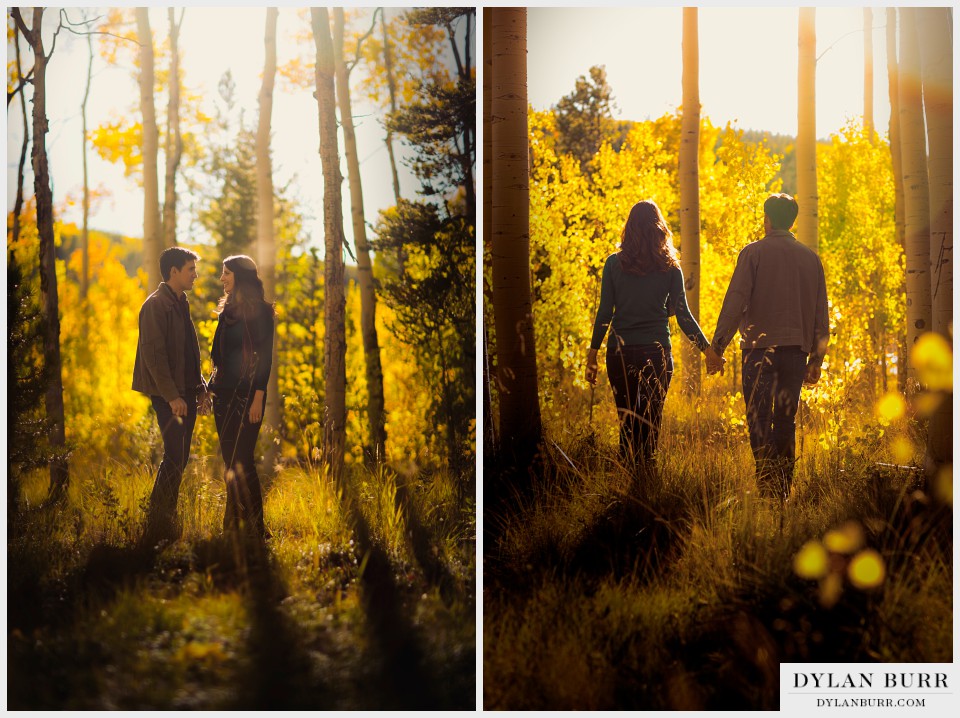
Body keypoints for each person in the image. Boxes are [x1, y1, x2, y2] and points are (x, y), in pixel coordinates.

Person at [586, 200, 724, 469]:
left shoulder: (613, 264)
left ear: (629, 228)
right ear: (659, 229)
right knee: (650, 421)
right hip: (656, 351)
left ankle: (628, 480)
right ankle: (647, 480)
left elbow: (605, 313)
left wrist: (592, 354)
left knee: (627, 421)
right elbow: (683, 315)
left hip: (619, 352)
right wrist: (708, 351)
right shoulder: (671, 266)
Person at [709, 193, 829, 500]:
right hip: (795, 354)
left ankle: (766, 488)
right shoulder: (811, 259)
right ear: (792, 221)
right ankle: (783, 492)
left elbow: (735, 302)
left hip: (758, 353)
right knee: (785, 422)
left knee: (759, 419)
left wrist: (718, 346)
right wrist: (816, 359)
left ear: (767, 219)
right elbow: (820, 314)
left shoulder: (753, 253)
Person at [132, 246, 206, 545]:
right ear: (173, 272)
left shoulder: (180, 302)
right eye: (191, 269)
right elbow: (155, 357)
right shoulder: (155, 305)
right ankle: (157, 517)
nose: (195, 275)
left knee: (181, 456)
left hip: (186, 391)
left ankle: (165, 515)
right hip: (168, 394)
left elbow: (189, 351)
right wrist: (172, 396)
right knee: (174, 455)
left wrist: (199, 389)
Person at [208, 255, 275, 540]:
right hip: (223, 396)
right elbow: (218, 355)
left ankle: (257, 529)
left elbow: (265, 359)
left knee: (243, 460)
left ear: (240, 277)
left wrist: (259, 397)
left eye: (226, 273)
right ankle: (233, 526)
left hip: (248, 395)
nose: (222, 278)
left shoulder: (261, 312)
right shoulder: (227, 311)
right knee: (229, 462)